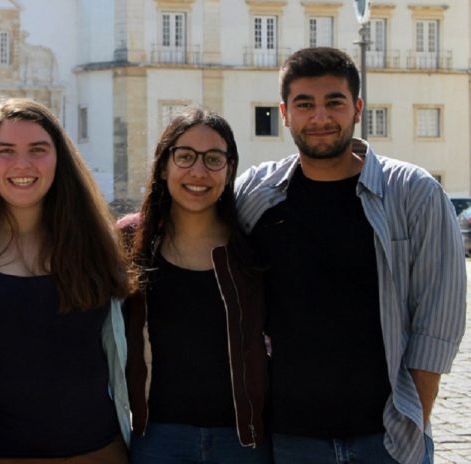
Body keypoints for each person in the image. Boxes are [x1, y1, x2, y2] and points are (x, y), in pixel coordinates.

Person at [235, 47, 466, 464]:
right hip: (290, 437)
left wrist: (411, 422)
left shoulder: (413, 193)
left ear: (358, 108)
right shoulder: (257, 194)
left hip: (385, 437)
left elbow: (438, 317)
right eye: (305, 104)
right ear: (285, 113)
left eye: (334, 103)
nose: (320, 118)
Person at [0, 98, 131, 463]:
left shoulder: (95, 243)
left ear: (60, 159)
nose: (22, 164)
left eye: (38, 150)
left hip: (100, 453)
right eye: (6, 151)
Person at [120, 108, 272, 463]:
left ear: (230, 168)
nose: (198, 172)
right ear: (163, 165)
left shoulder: (252, 248)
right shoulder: (129, 240)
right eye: (185, 156)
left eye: (213, 159)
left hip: (243, 443)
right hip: (156, 439)